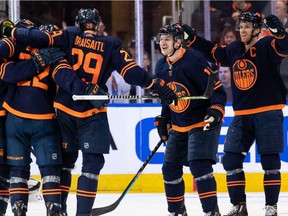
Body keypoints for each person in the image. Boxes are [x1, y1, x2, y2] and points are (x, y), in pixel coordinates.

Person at [1, 8, 177, 216]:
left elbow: (58, 68)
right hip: (92, 113)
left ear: (78, 23)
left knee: (63, 164)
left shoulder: (68, 36)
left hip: (64, 110)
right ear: (99, 24)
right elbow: (130, 71)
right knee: (92, 164)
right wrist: (152, 84)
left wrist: (12, 31)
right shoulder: (111, 44)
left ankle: (60, 210)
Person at [183, 11, 288, 215]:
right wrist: (193, 38)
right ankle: (239, 205)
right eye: (240, 27)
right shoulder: (234, 49)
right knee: (230, 159)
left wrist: (280, 32)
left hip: (268, 111)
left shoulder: (267, 45)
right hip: (242, 114)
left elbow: (284, 46)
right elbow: (212, 52)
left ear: (257, 29)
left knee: (269, 160)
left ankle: (271, 207)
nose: (242, 31)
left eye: (247, 27)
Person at [154, 23, 226, 216]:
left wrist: (216, 110)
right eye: (161, 39)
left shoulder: (194, 61)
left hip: (201, 123)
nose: (162, 42)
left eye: (167, 39)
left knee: (199, 166)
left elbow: (218, 91)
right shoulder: (161, 65)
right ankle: (177, 211)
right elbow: (167, 97)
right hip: (179, 125)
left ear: (178, 42)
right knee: (169, 169)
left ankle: (212, 212)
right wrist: (164, 118)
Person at [0, 19, 66, 216]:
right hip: (44, 119)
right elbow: (64, 86)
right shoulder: (55, 54)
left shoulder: (11, 54)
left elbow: (8, 74)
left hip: (14, 118)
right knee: (50, 169)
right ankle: (54, 208)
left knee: (17, 169)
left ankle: (18, 208)